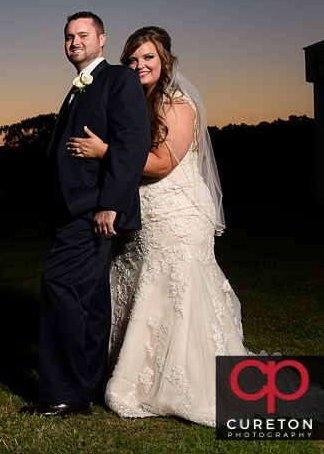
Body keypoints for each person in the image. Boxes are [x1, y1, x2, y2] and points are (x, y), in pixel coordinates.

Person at [68, 26, 236, 426]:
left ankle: (184, 383)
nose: (140, 65)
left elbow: (161, 164)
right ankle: (136, 372)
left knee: (178, 299)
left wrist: (105, 151)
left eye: (149, 58)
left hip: (178, 216)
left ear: (165, 62)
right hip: (146, 218)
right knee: (143, 292)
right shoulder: (136, 104)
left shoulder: (178, 105)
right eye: (133, 59)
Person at [21, 12, 150, 417]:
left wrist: (111, 202)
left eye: (83, 35)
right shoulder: (77, 87)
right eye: (68, 36)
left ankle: (63, 392)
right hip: (72, 209)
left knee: (58, 284)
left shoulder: (118, 79)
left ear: (102, 39)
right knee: (93, 300)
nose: (74, 42)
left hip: (94, 208)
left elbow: (131, 144)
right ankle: (90, 384)